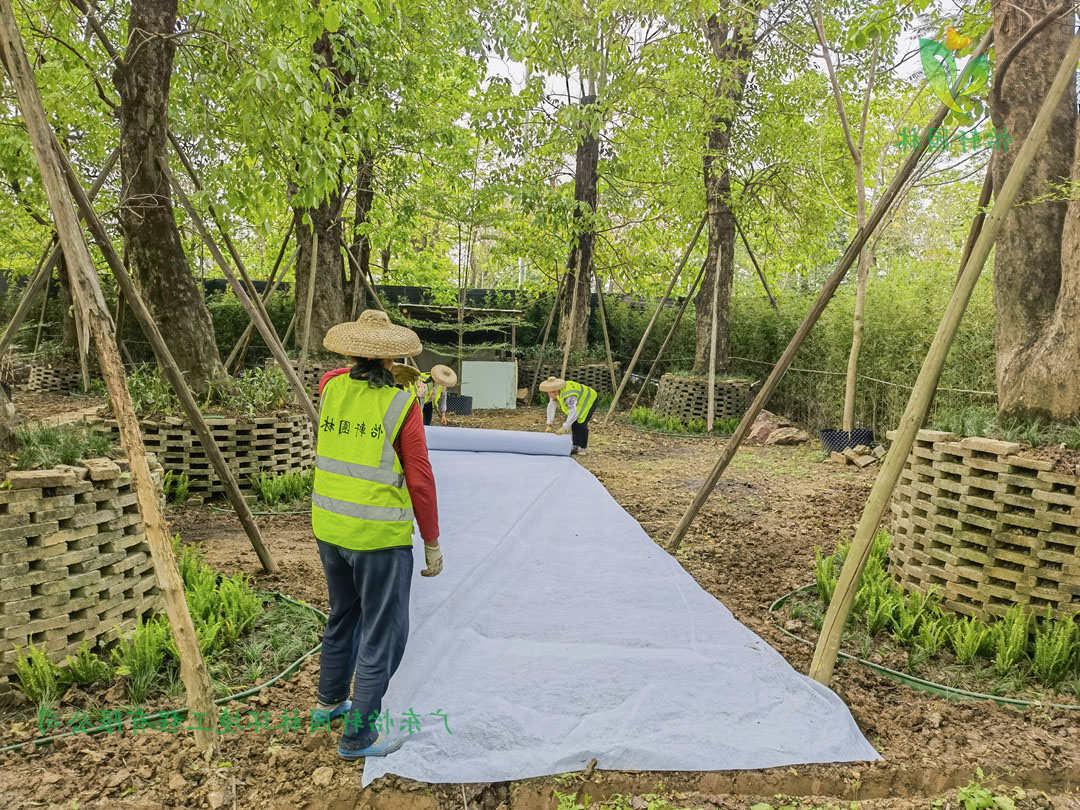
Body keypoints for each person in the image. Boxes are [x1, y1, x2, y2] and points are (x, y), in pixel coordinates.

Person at [310, 309, 443, 760]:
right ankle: (359, 735)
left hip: (329, 526)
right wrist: (432, 540)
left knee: (342, 614)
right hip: (378, 538)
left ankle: (329, 702)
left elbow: (340, 376)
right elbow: (420, 478)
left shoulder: (330, 388)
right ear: (392, 360)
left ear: (351, 352)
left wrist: (381, 371)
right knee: (383, 632)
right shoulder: (401, 404)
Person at [539, 376, 597, 455]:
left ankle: (583, 448)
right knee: (574, 423)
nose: (549, 395)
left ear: (556, 391)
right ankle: (576, 446)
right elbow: (551, 406)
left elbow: (573, 413)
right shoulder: (555, 391)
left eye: (551, 392)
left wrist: (564, 427)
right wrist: (549, 423)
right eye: (548, 393)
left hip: (589, 398)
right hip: (579, 400)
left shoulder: (568, 396)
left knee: (581, 423)